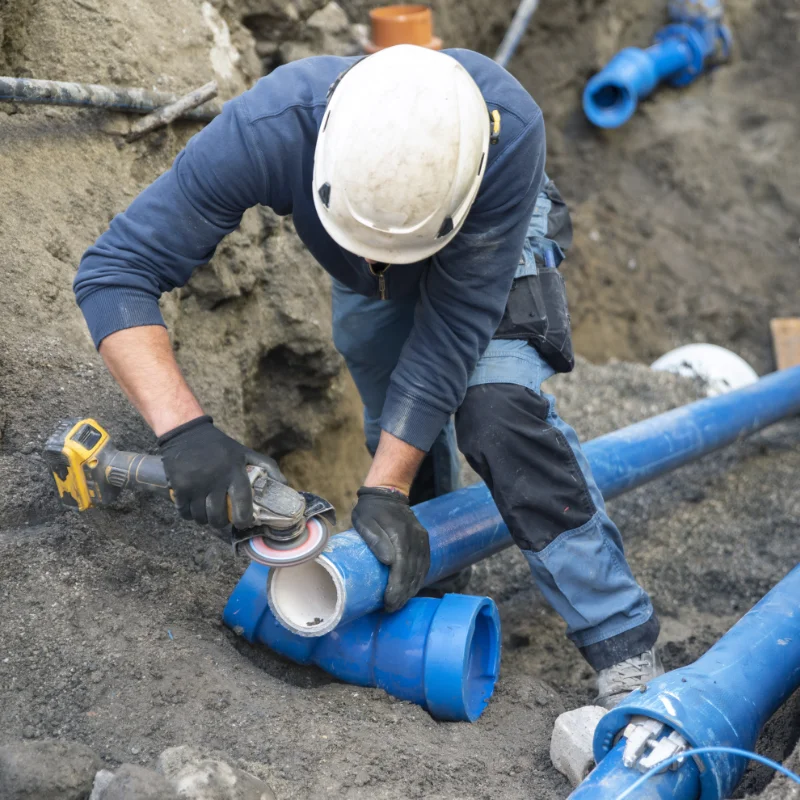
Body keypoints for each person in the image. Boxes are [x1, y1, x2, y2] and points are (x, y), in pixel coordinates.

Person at [73, 44, 662, 708]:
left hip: (490, 233)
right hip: (363, 245)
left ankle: (622, 645)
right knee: (395, 425)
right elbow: (115, 272)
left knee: (496, 414)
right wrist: (184, 432)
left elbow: (451, 332)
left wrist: (384, 490)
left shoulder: (507, 133)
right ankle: (435, 579)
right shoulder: (272, 128)